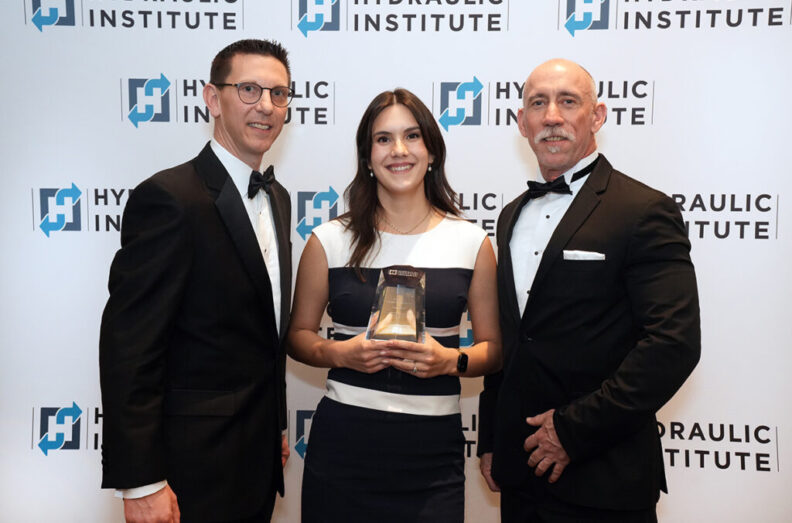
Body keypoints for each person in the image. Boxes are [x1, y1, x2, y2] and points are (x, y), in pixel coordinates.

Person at [477, 58, 701, 522]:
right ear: (521, 122)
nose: (551, 116)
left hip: (605, 477)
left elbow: (672, 344)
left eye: (568, 102)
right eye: (538, 103)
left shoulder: (643, 209)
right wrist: (492, 438)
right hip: (521, 478)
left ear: (597, 116)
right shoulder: (511, 215)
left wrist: (570, 431)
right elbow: (513, 339)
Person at [99, 39, 293, 523]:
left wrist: (274, 426)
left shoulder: (279, 199)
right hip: (187, 473)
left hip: (256, 464)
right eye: (248, 90)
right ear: (212, 98)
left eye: (278, 94)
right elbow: (130, 348)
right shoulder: (170, 198)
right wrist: (141, 481)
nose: (266, 106)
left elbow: (261, 337)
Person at [288, 88, 502, 522]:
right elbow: (297, 337)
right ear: (367, 157)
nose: (398, 150)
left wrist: (451, 361)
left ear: (432, 152)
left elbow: (494, 349)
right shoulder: (329, 240)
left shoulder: (472, 242)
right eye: (383, 139)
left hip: (432, 453)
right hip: (343, 446)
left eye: (412, 136)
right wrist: (339, 353)